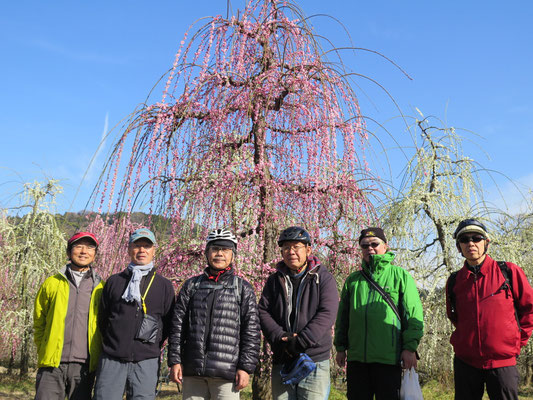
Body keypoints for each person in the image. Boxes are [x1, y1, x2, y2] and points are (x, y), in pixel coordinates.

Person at [168, 228, 260, 399]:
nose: (219, 254)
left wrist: (245, 368)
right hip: (192, 371)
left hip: (227, 373)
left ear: (233, 254)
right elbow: (177, 327)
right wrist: (175, 360)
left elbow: (251, 332)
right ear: (206, 252)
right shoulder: (191, 286)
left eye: (225, 249)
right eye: (215, 249)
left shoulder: (242, 289)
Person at [446, 218, 533, 400]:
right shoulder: (454, 281)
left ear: (486, 242)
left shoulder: (508, 271)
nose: (471, 243)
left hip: (502, 362)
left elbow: (529, 309)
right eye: (464, 239)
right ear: (458, 246)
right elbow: (454, 316)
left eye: (476, 238)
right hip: (466, 362)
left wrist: (517, 341)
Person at [334, 227, 424, 400]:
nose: (370, 248)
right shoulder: (353, 280)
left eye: (374, 244)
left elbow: (413, 316)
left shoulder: (400, 276)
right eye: (364, 245)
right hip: (357, 360)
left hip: (388, 360)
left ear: (385, 246)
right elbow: (343, 317)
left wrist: (409, 348)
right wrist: (340, 347)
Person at [94, 228, 175, 400]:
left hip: (146, 360)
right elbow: (103, 318)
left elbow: (168, 323)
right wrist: (115, 342)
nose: (142, 250)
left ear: (154, 250)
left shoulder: (164, 285)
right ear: (129, 249)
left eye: (147, 246)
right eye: (137, 245)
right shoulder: (114, 281)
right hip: (112, 358)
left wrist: (151, 344)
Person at [258, 226, 339, 400]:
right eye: (286, 247)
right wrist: (281, 337)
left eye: (296, 247)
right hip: (283, 357)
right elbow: (263, 311)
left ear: (308, 250)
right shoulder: (274, 280)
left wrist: (301, 341)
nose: (291, 252)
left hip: (313, 359)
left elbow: (327, 313)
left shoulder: (322, 278)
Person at [33, 231, 104, 400]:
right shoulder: (52, 283)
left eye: (89, 247)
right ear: (68, 252)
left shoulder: (101, 287)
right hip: (52, 364)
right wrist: (44, 348)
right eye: (78, 246)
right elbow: (39, 321)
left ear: (95, 253)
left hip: (84, 367)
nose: (83, 251)